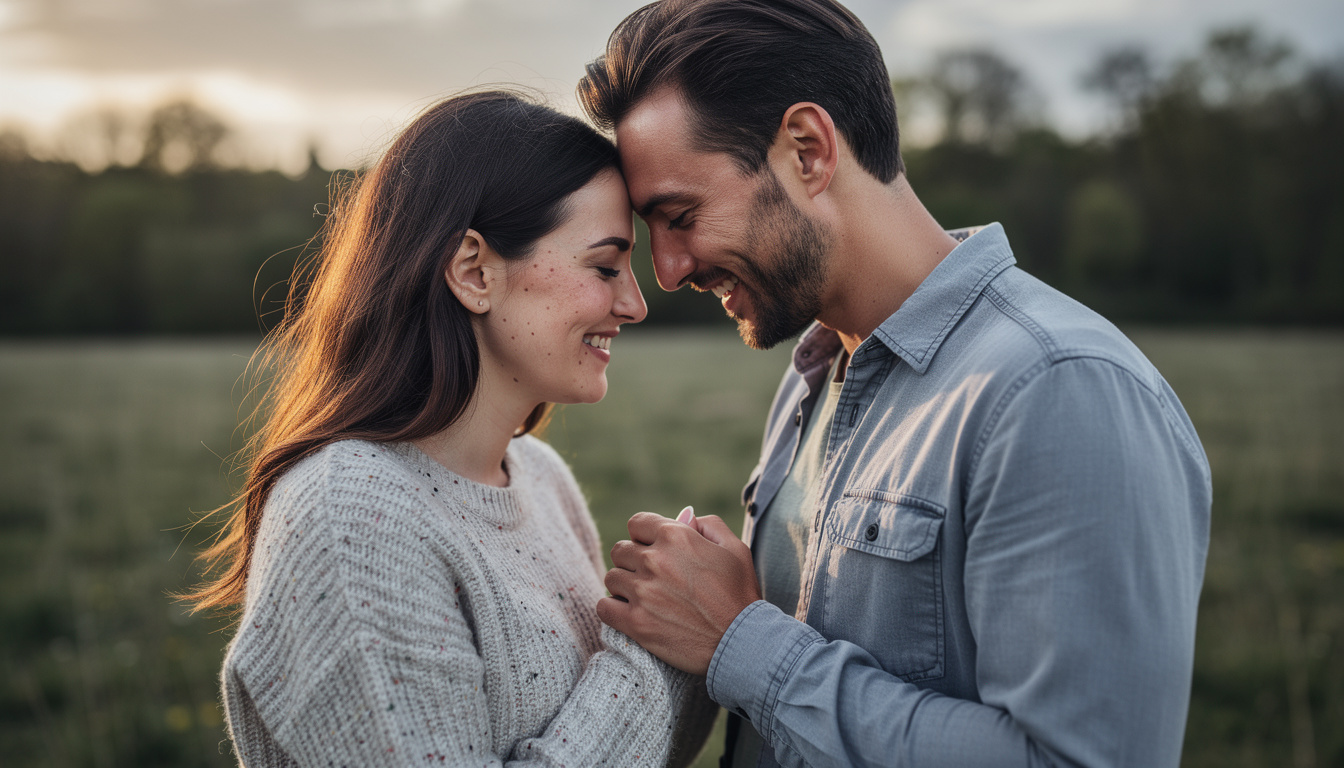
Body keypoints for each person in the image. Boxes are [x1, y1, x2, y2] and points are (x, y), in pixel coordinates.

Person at [578, 1, 1212, 766]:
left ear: (808, 150)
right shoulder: (817, 370)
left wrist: (742, 644)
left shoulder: (1060, 390)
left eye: (680, 215)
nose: (669, 270)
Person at [185, 90, 714, 767]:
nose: (635, 303)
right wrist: (655, 651)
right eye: (605, 266)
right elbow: (632, 703)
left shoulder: (542, 480)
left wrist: (705, 630)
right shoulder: (351, 517)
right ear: (473, 271)